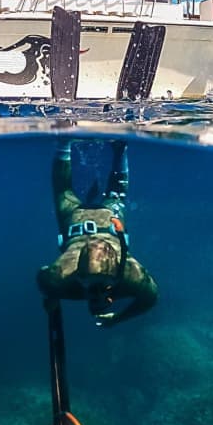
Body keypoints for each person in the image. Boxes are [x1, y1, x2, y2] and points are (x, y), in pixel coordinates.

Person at [37, 140, 158, 327]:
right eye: (95, 285)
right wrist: (52, 294)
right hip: (94, 218)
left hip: (83, 218)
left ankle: (66, 143)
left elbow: (44, 278)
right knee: (114, 191)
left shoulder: (60, 276)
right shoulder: (132, 278)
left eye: (100, 285)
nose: (98, 293)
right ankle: (118, 149)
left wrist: (53, 295)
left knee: (69, 191)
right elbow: (149, 298)